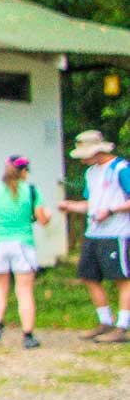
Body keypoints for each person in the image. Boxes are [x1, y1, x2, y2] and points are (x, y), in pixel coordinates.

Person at [63, 129, 130, 344]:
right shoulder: (90, 173)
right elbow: (92, 204)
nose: (82, 159)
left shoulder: (121, 169)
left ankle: (122, 326)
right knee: (89, 275)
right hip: (93, 232)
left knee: (122, 278)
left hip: (117, 232)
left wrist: (111, 211)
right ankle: (105, 321)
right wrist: (71, 206)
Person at [0, 155, 52, 349]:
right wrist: (48, 215)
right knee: (24, 290)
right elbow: (42, 219)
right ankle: (28, 335)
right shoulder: (31, 190)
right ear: (24, 171)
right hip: (23, 243)